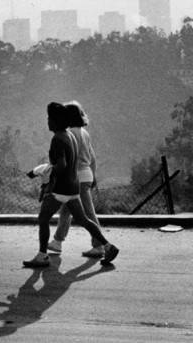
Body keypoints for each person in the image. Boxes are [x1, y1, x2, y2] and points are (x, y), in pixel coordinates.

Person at [23, 102, 119, 268]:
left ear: (55, 121)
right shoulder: (71, 136)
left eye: (49, 119)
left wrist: (48, 184)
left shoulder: (57, 139)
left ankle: (42, 255)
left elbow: (61, 165)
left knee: (43, 218)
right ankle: (108, 246)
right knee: (83, 219)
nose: (47, 122)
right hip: (74, 186)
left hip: (61, 188)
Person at [47, 101, 105, 257]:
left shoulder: (70, 134)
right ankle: (57, 242)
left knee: (88, 213)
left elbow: (67, 158)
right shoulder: (84, 133)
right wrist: (93, 176)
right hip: (86, 174)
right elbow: (92, 158)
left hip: (76, 176)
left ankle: (100, 245)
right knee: (66, 210)